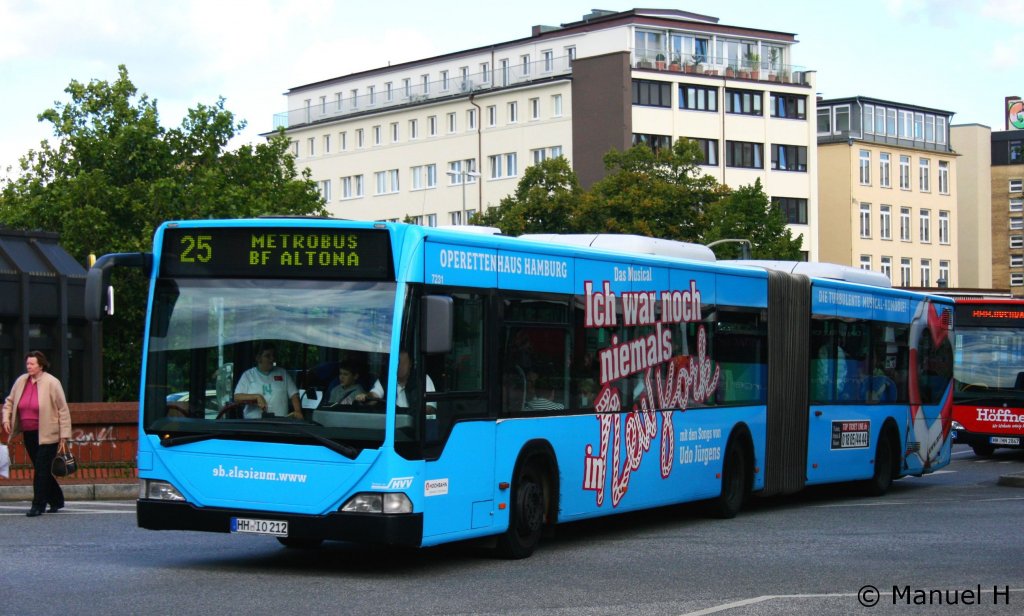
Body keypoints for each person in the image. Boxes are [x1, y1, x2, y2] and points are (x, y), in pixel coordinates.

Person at [2, 351, 72, 517]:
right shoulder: (21, 381)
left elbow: (63, 409)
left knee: (41, 469)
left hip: (48, 433)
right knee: (43, 469)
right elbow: (9, 402)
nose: (29, 366)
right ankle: (56, 500)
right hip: (30, 433)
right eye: (28, 364)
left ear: (41, 365)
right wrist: (6, 419)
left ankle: (38, 505)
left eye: (32, 364)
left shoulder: (52, 383)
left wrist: (64, 435)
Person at [234, 343, 303, 419]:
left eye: (273, 355)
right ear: (258, 358)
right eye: (268, 356)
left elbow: (294, 395)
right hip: (254, 425)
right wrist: (257, 397)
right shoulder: (248, 375)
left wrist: (298, 411)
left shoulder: (283, 373)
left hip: (281, 424)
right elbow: (237, 397)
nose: (272, 358)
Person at [356, 350, 435, 408]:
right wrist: (366, 397)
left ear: (410, 363)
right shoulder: (385, 380)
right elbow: (374, 396)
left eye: (399, 362)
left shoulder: (422, 379)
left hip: (415, 426)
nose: (396, 366)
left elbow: (430, 408)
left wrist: (414, 411)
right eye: (394, 362)